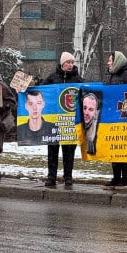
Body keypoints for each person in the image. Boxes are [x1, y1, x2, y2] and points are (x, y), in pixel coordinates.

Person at [41, 51, 83, 187]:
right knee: (52, 150)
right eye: (67, 62)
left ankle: (68, 176)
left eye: (72, 63)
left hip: (69, 122)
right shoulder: (52, 78)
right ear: (62, 63)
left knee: (69, 151)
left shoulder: (77, 80)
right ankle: (51, 176)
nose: (70, 65)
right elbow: (40, 90)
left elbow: (86, 94)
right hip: (53, 121)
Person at [103, 51, 127, 191]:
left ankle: (125, 179)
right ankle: (116, 177)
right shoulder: (110, 74)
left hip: (125, 117)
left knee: (123, 148)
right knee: (114, 148)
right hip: (112, 116)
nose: (108, 63)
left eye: (110, 60)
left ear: (116, 61)